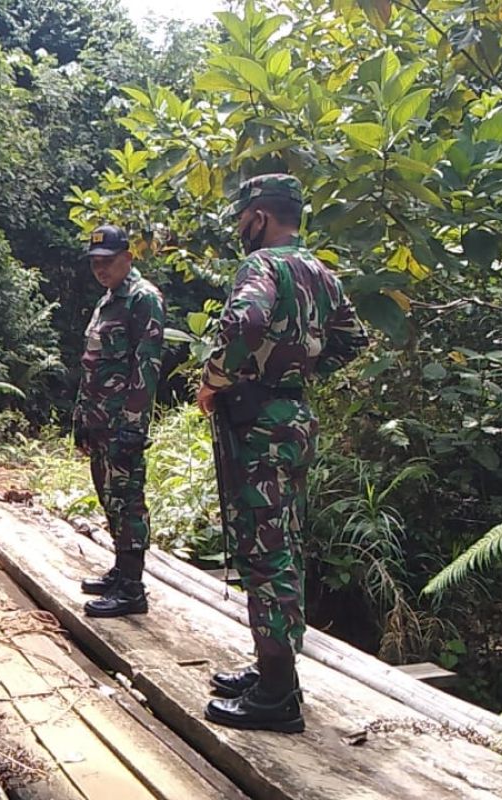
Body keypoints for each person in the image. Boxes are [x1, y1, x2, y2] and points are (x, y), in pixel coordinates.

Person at [198, 174, 367, 732]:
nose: (241, 228)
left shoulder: (263, 266)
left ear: (261, 217)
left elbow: (245, 321)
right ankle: (276, 669)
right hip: (294, 419)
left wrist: (217, 379)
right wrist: (301, 371)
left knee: (264, 550)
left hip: (258, 420)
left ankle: (276, 696)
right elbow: (353, 339)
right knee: (282, 541)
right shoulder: (320, 271)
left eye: (244, 217)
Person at [72, 224, 165, 618]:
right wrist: (80, 416)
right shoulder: (108, 300)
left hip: (122, 421)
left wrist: (133, 423)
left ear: (128, 257)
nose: (101, 269)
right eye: (95, 263)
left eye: (108, 262)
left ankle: (132, 588)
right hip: (98, 419)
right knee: (109, 495)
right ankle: (120, 570)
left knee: (128, 500)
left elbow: (147, 365)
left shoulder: (143, 299)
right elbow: (92, 362)